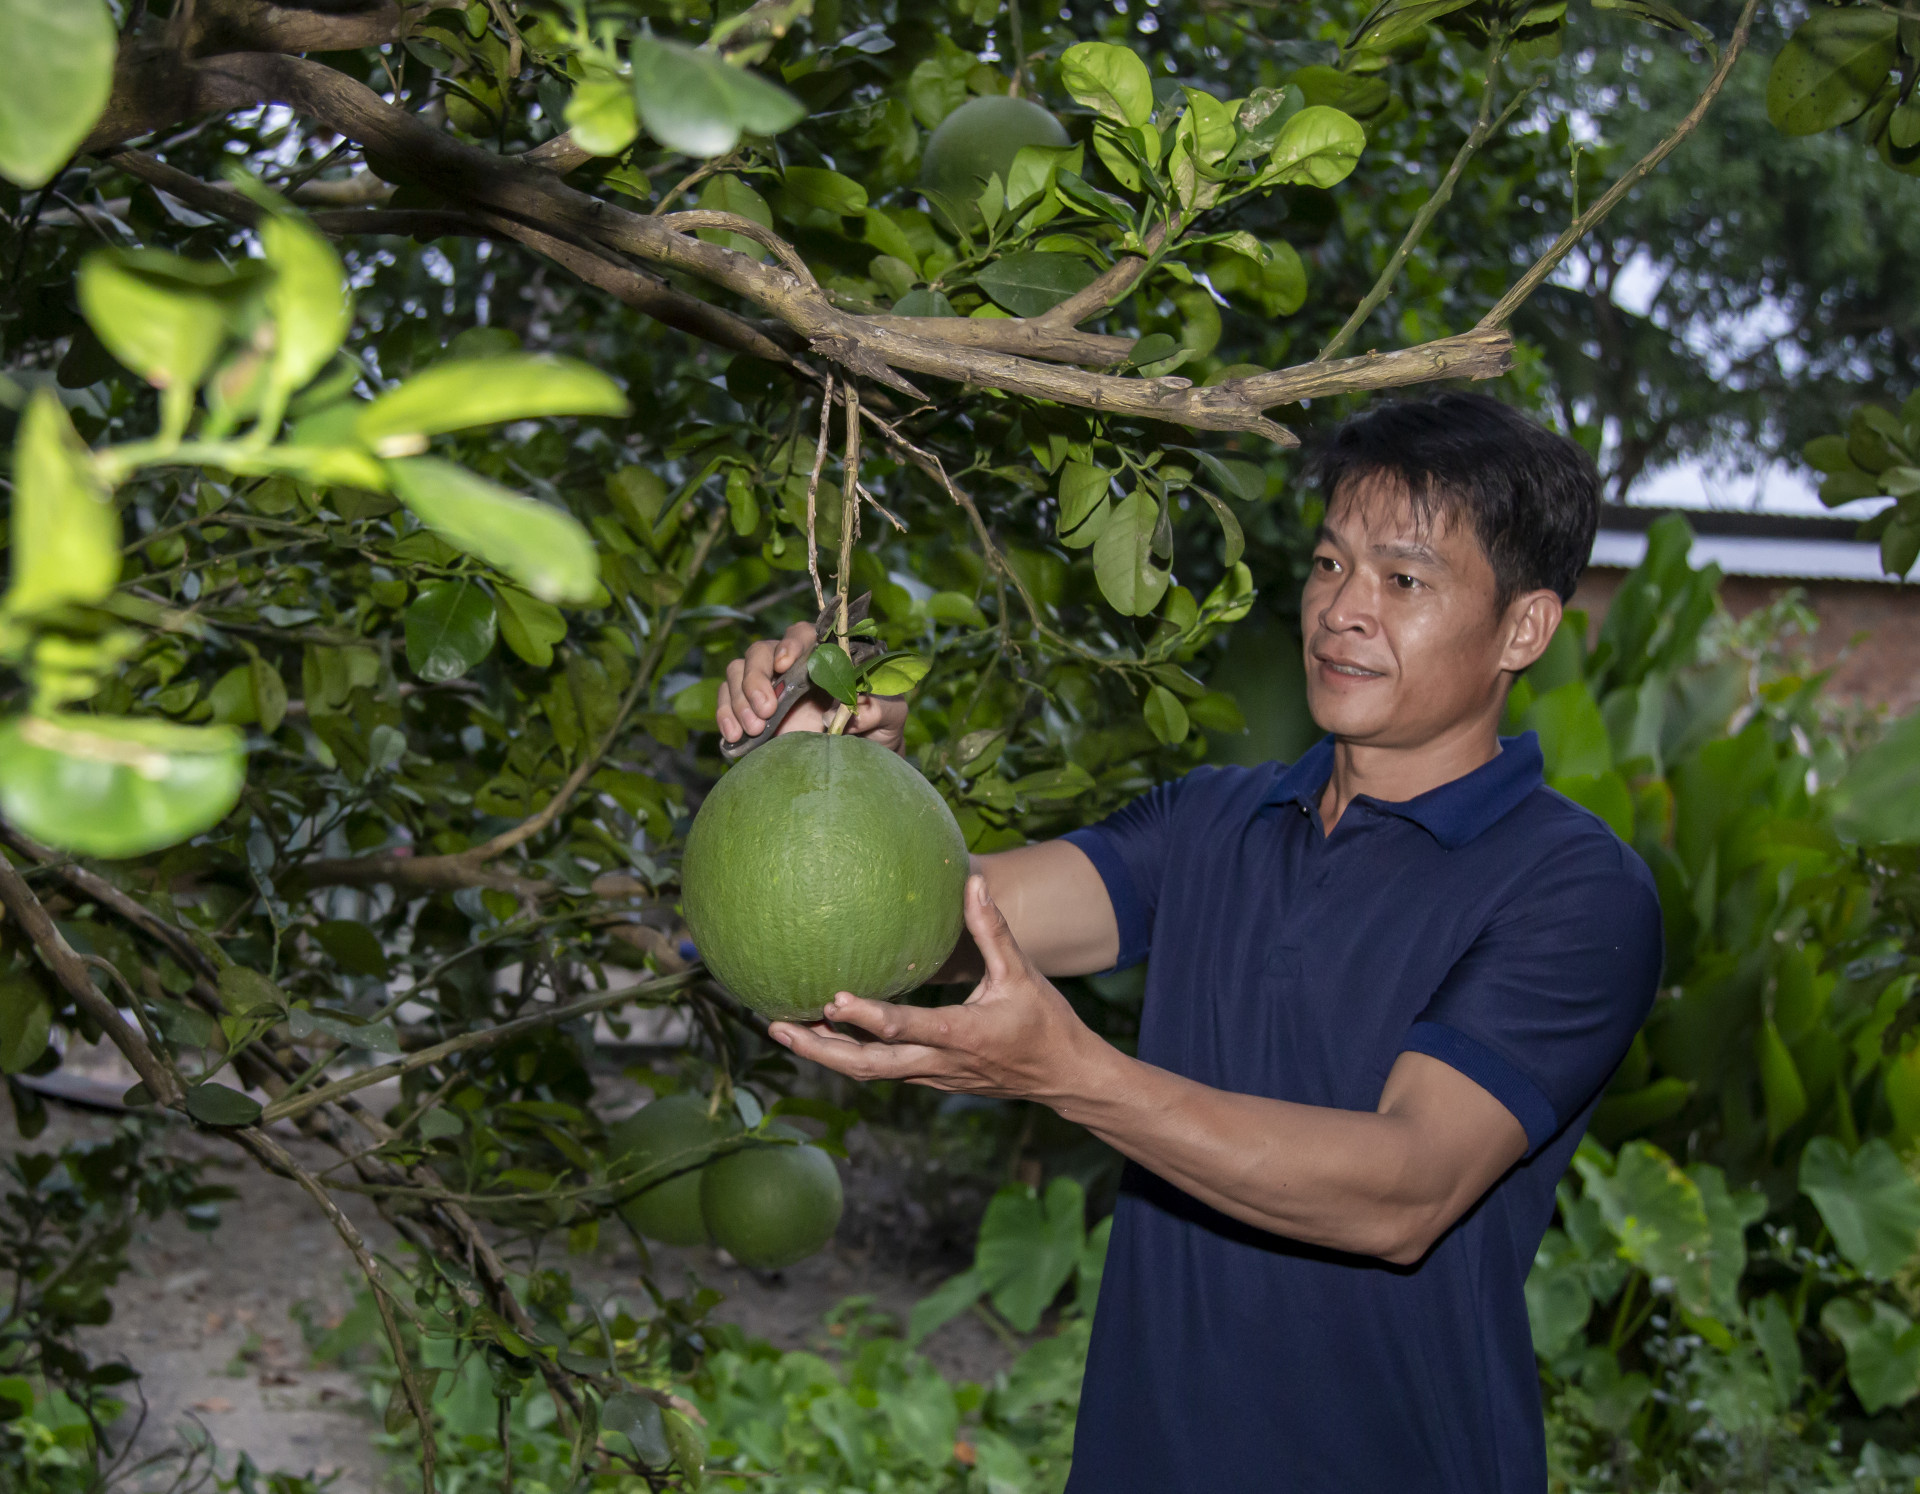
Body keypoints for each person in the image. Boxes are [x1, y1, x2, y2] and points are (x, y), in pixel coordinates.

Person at [714, 392, 1662, 1493]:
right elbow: (930, 917)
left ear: (1524, 628)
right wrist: (845, 764)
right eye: (1327, 565)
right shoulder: (1216, 821)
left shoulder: (1576, 890)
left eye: (1403, 580)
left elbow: (1404, 1191)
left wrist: (1072, 1076)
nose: (1343, 610)